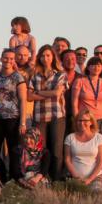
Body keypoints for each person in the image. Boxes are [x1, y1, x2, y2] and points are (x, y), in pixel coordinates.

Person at [28, 45, 67, 179]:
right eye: (43, 55)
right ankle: (42, 179)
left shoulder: (61, 74)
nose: (45, 58)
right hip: (39, 116)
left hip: (57, 116)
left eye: (48, 55)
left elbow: (57, 93)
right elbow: (29, 96)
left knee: (56, 150)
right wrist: (48, 93)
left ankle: (56, 179)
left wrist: (38, 92)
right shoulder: (34, 75)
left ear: (53, 57)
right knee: (41, 150)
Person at [0, 50, 28, 182]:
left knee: (14, 150)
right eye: (6, 58)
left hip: (13, 118)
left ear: (14, 60)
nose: (8, 61)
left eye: (11, 58)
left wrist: (22, 122)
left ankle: (15, 177)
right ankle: (1, 176)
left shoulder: (18, 77)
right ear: (1, 58)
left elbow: (23, 100)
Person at [65, 110, 102, 192]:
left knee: (96, 193)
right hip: (74, 176)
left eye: (85, 120)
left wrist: (89, 179)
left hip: (95, 177)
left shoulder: (100, 138)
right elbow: (67, 160)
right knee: (74, 196)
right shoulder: (70, 137)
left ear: (91, 122)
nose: (82, 123)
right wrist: (76, 177)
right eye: (79, 120)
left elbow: (101, 161)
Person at [72, 57, 102, 137]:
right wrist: (77, 121)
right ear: (88, 67)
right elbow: (74, 103)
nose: (96, 68)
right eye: (93, 65)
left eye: (99, 65)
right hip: (86, 120)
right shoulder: (79, 81)